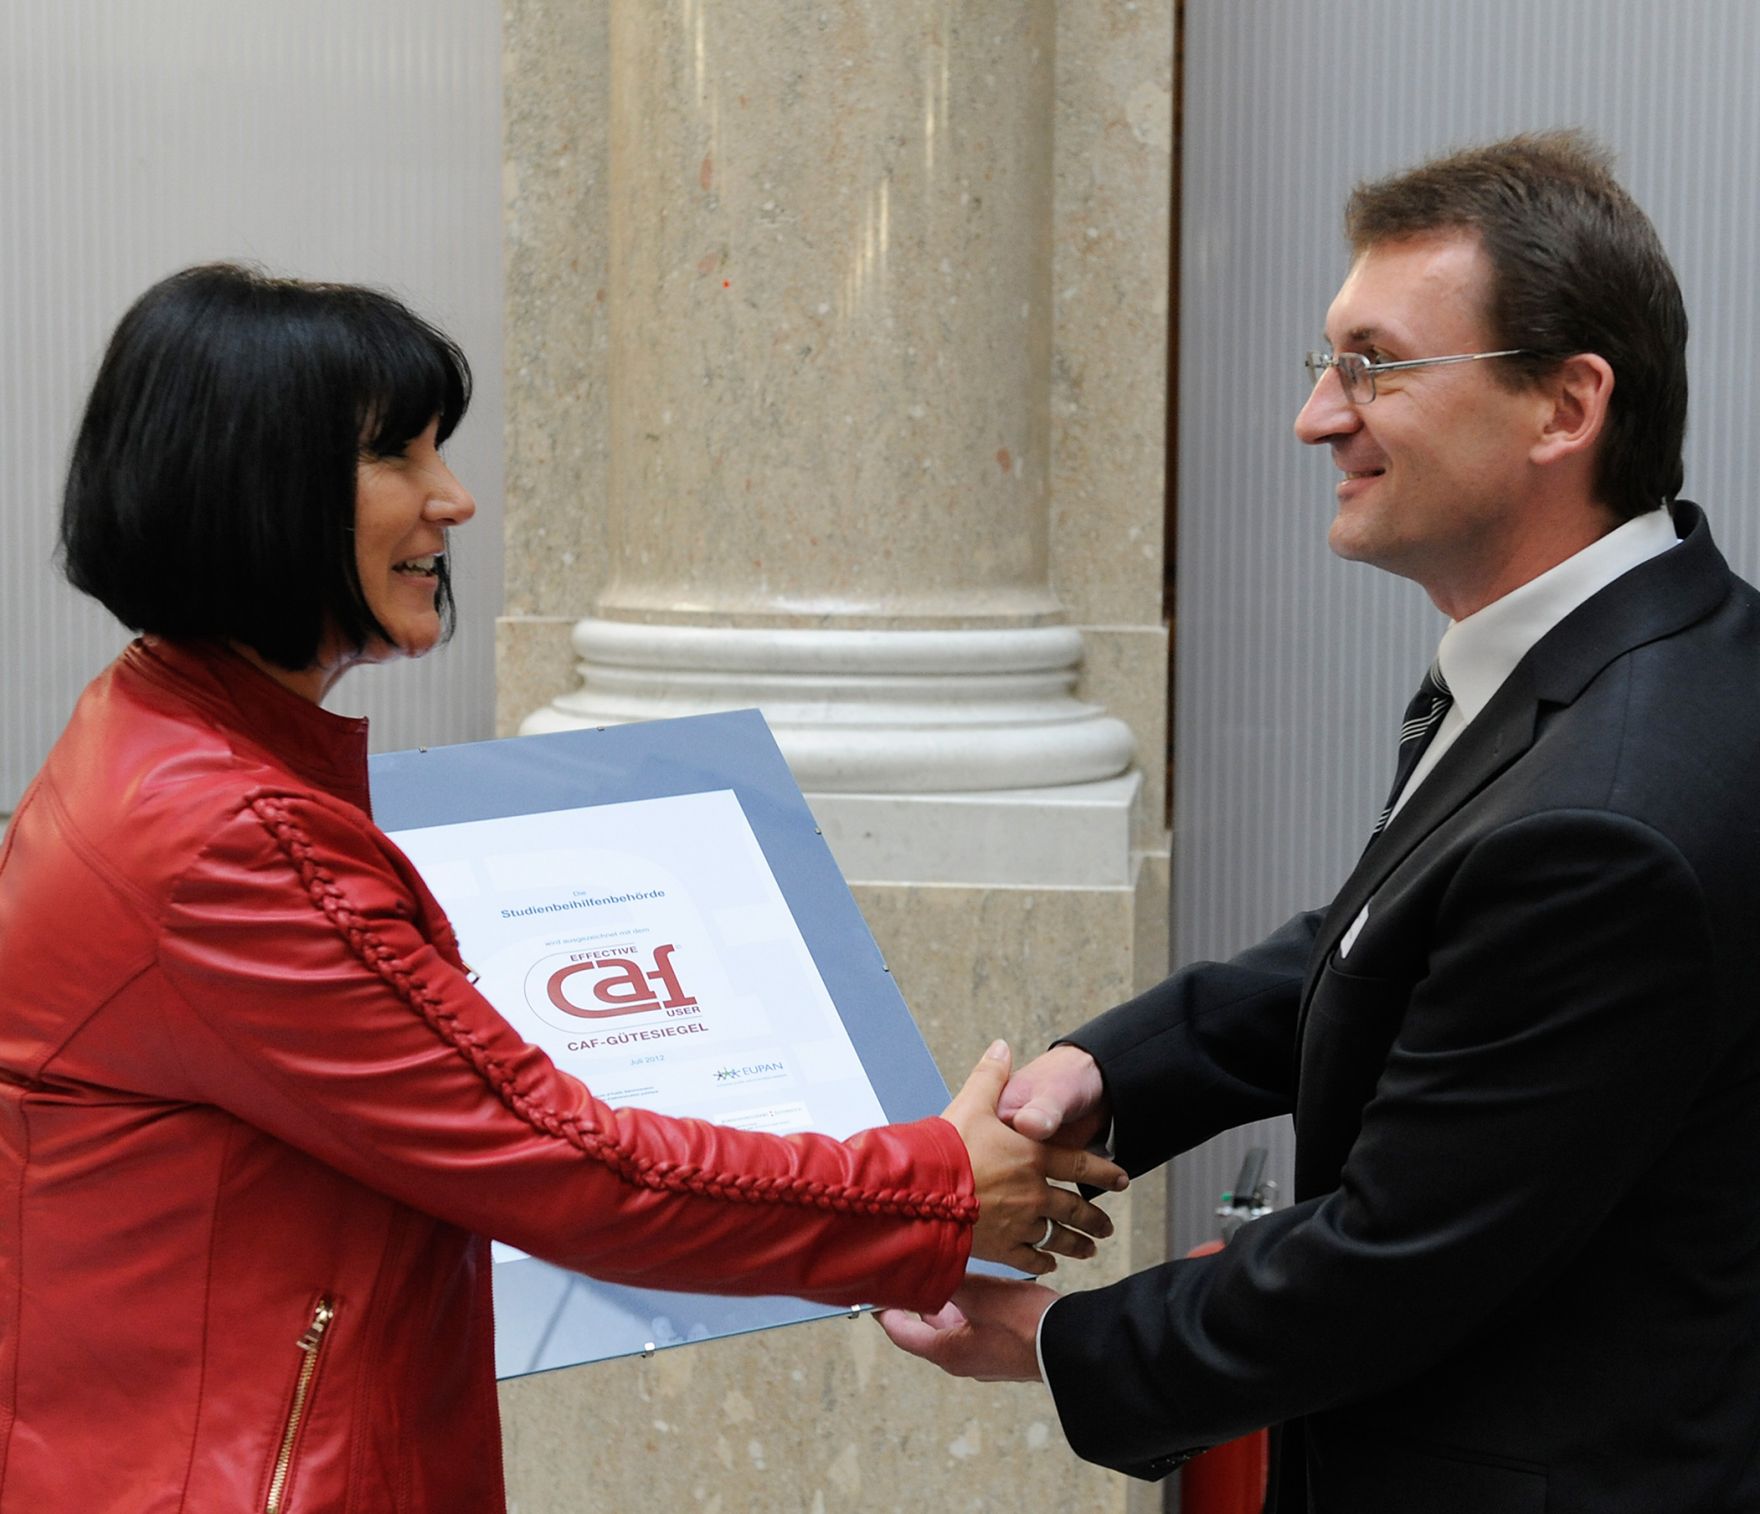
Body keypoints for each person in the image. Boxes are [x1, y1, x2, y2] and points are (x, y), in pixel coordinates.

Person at [0, 263, 1124, 1513]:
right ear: (246, 482)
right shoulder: (226, 834)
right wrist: (936, 1186)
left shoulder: (166, 747)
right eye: (396, 455)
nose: (452, 499)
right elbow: (572, 1169)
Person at [881, 131, 1760, 1513]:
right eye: (1324, 364)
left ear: (1564, 406)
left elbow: (1396, 1260)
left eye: (1378, 365)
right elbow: (1396, 940)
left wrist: (1052, 1340)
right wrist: (1106, 1073)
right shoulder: (1663, 649)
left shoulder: (1607, 815)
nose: (1318, 417)